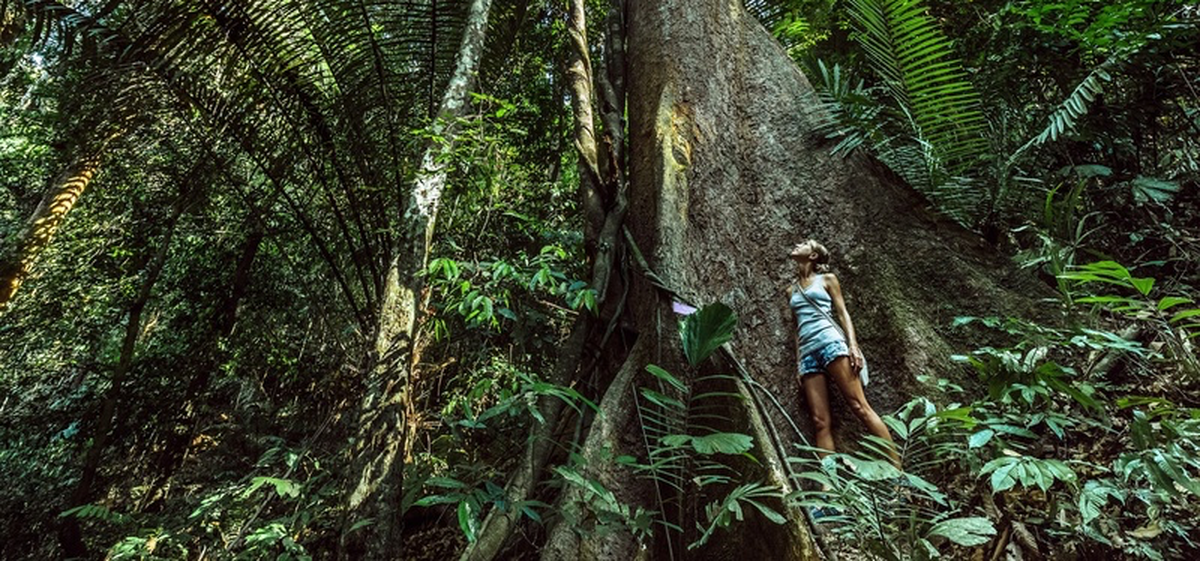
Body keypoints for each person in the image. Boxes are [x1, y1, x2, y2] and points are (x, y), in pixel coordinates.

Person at [788, 240, 899, 467]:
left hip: (832, 344)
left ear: (813, 256)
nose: (798, 244)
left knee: (860, 407)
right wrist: (799, 362)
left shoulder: (827, 280)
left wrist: (853, 346)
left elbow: (843, 314)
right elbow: (796, 329)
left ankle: (898, 471)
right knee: (820, 421)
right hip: (809, 354)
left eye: (804, 243)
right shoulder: (790, 290)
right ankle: (828, 490)